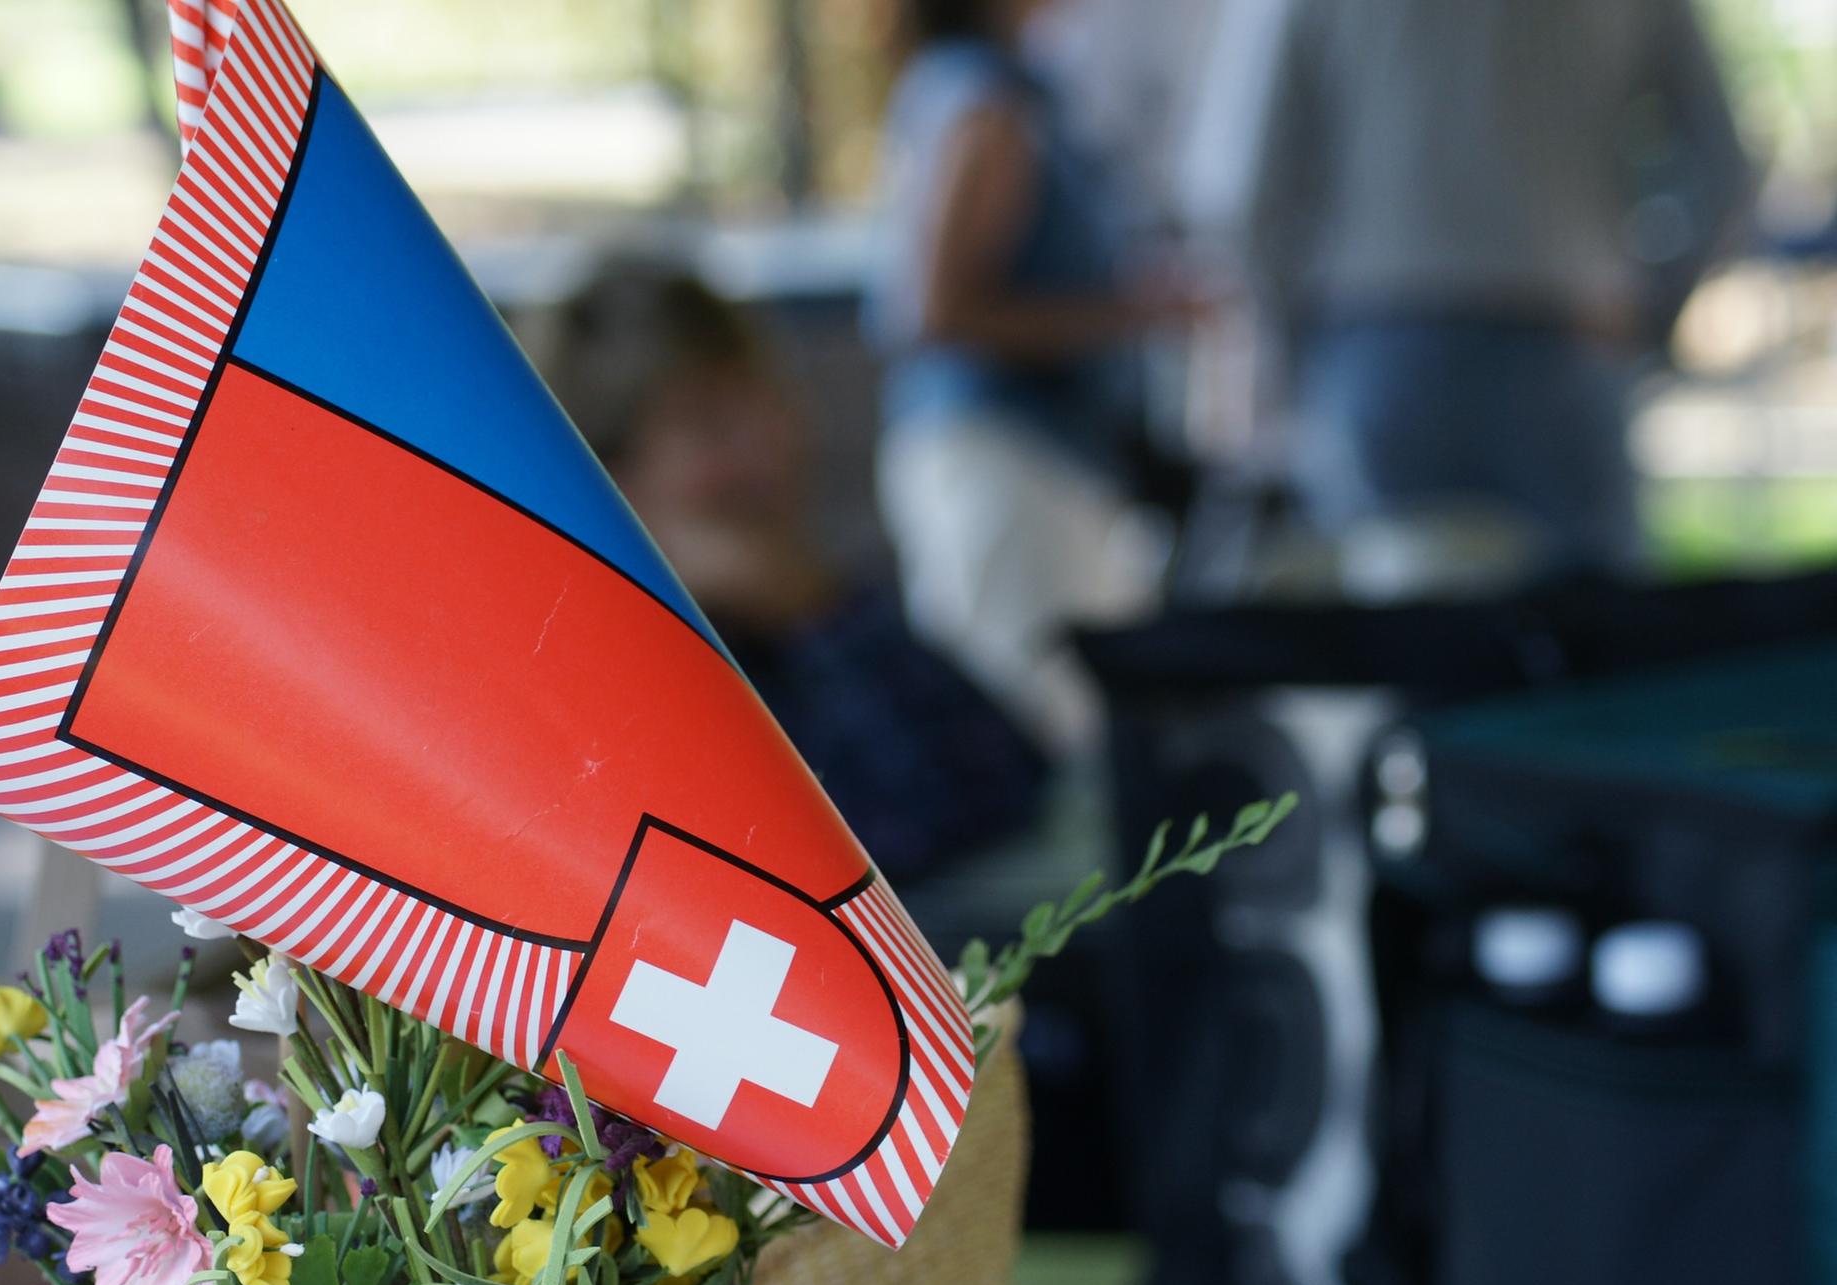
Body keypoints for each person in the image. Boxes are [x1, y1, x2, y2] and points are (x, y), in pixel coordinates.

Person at [534, 260, 1047, 888]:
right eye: (708, 426)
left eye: (766, 401)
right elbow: (904, 840)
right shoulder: (616, 691)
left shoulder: (794, 609)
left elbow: (1016, 776)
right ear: (610, 478)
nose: (765, 445)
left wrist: (813, 609)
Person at [1202, 0, 1753, 581]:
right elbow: (1725, 172)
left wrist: (1299, 352)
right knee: (1591, 637)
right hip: (1572, 330)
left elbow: (1246, 201)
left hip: (1380, 340)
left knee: (1399, 628)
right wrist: (1649, 317)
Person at [864, 0, 1196, 758]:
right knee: (1027, 741)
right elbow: (936, 309)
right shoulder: (987, 102)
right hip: (1003, 463)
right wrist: (1132, 316)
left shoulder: (986, 87)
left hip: (1025, 460)